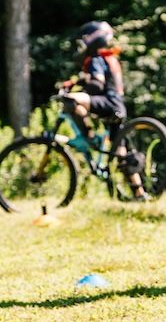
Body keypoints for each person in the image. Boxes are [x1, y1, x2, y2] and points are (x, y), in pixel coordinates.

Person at [57, 20, 146, 197]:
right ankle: (139, 193)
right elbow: (94, 79)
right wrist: (77, 82)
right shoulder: (109, 57)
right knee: (121, 153)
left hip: (108, 103)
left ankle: (90, 138)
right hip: (118, 106)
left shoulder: (96, 59)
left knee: (69, 101)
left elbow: (97, 84)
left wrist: (78, 93)